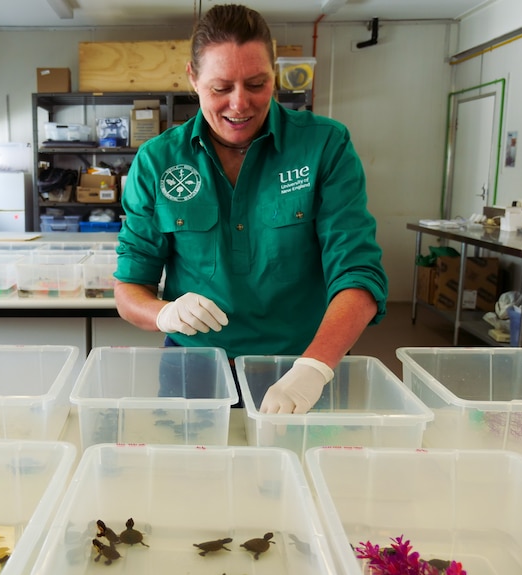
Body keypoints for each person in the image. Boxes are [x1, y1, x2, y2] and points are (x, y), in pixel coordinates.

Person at [113, 3, 388, 414]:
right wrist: (165, 313)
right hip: (195, 366)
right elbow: (129, 287)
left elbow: (359, 274)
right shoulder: (158, 161)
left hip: (301, 362)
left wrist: (314, 367)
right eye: (220, 88)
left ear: (274, 75)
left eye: (256, 84)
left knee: (301, 474)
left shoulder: (324, 146)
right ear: (193, 78)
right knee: (192, 474)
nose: (239, 104)